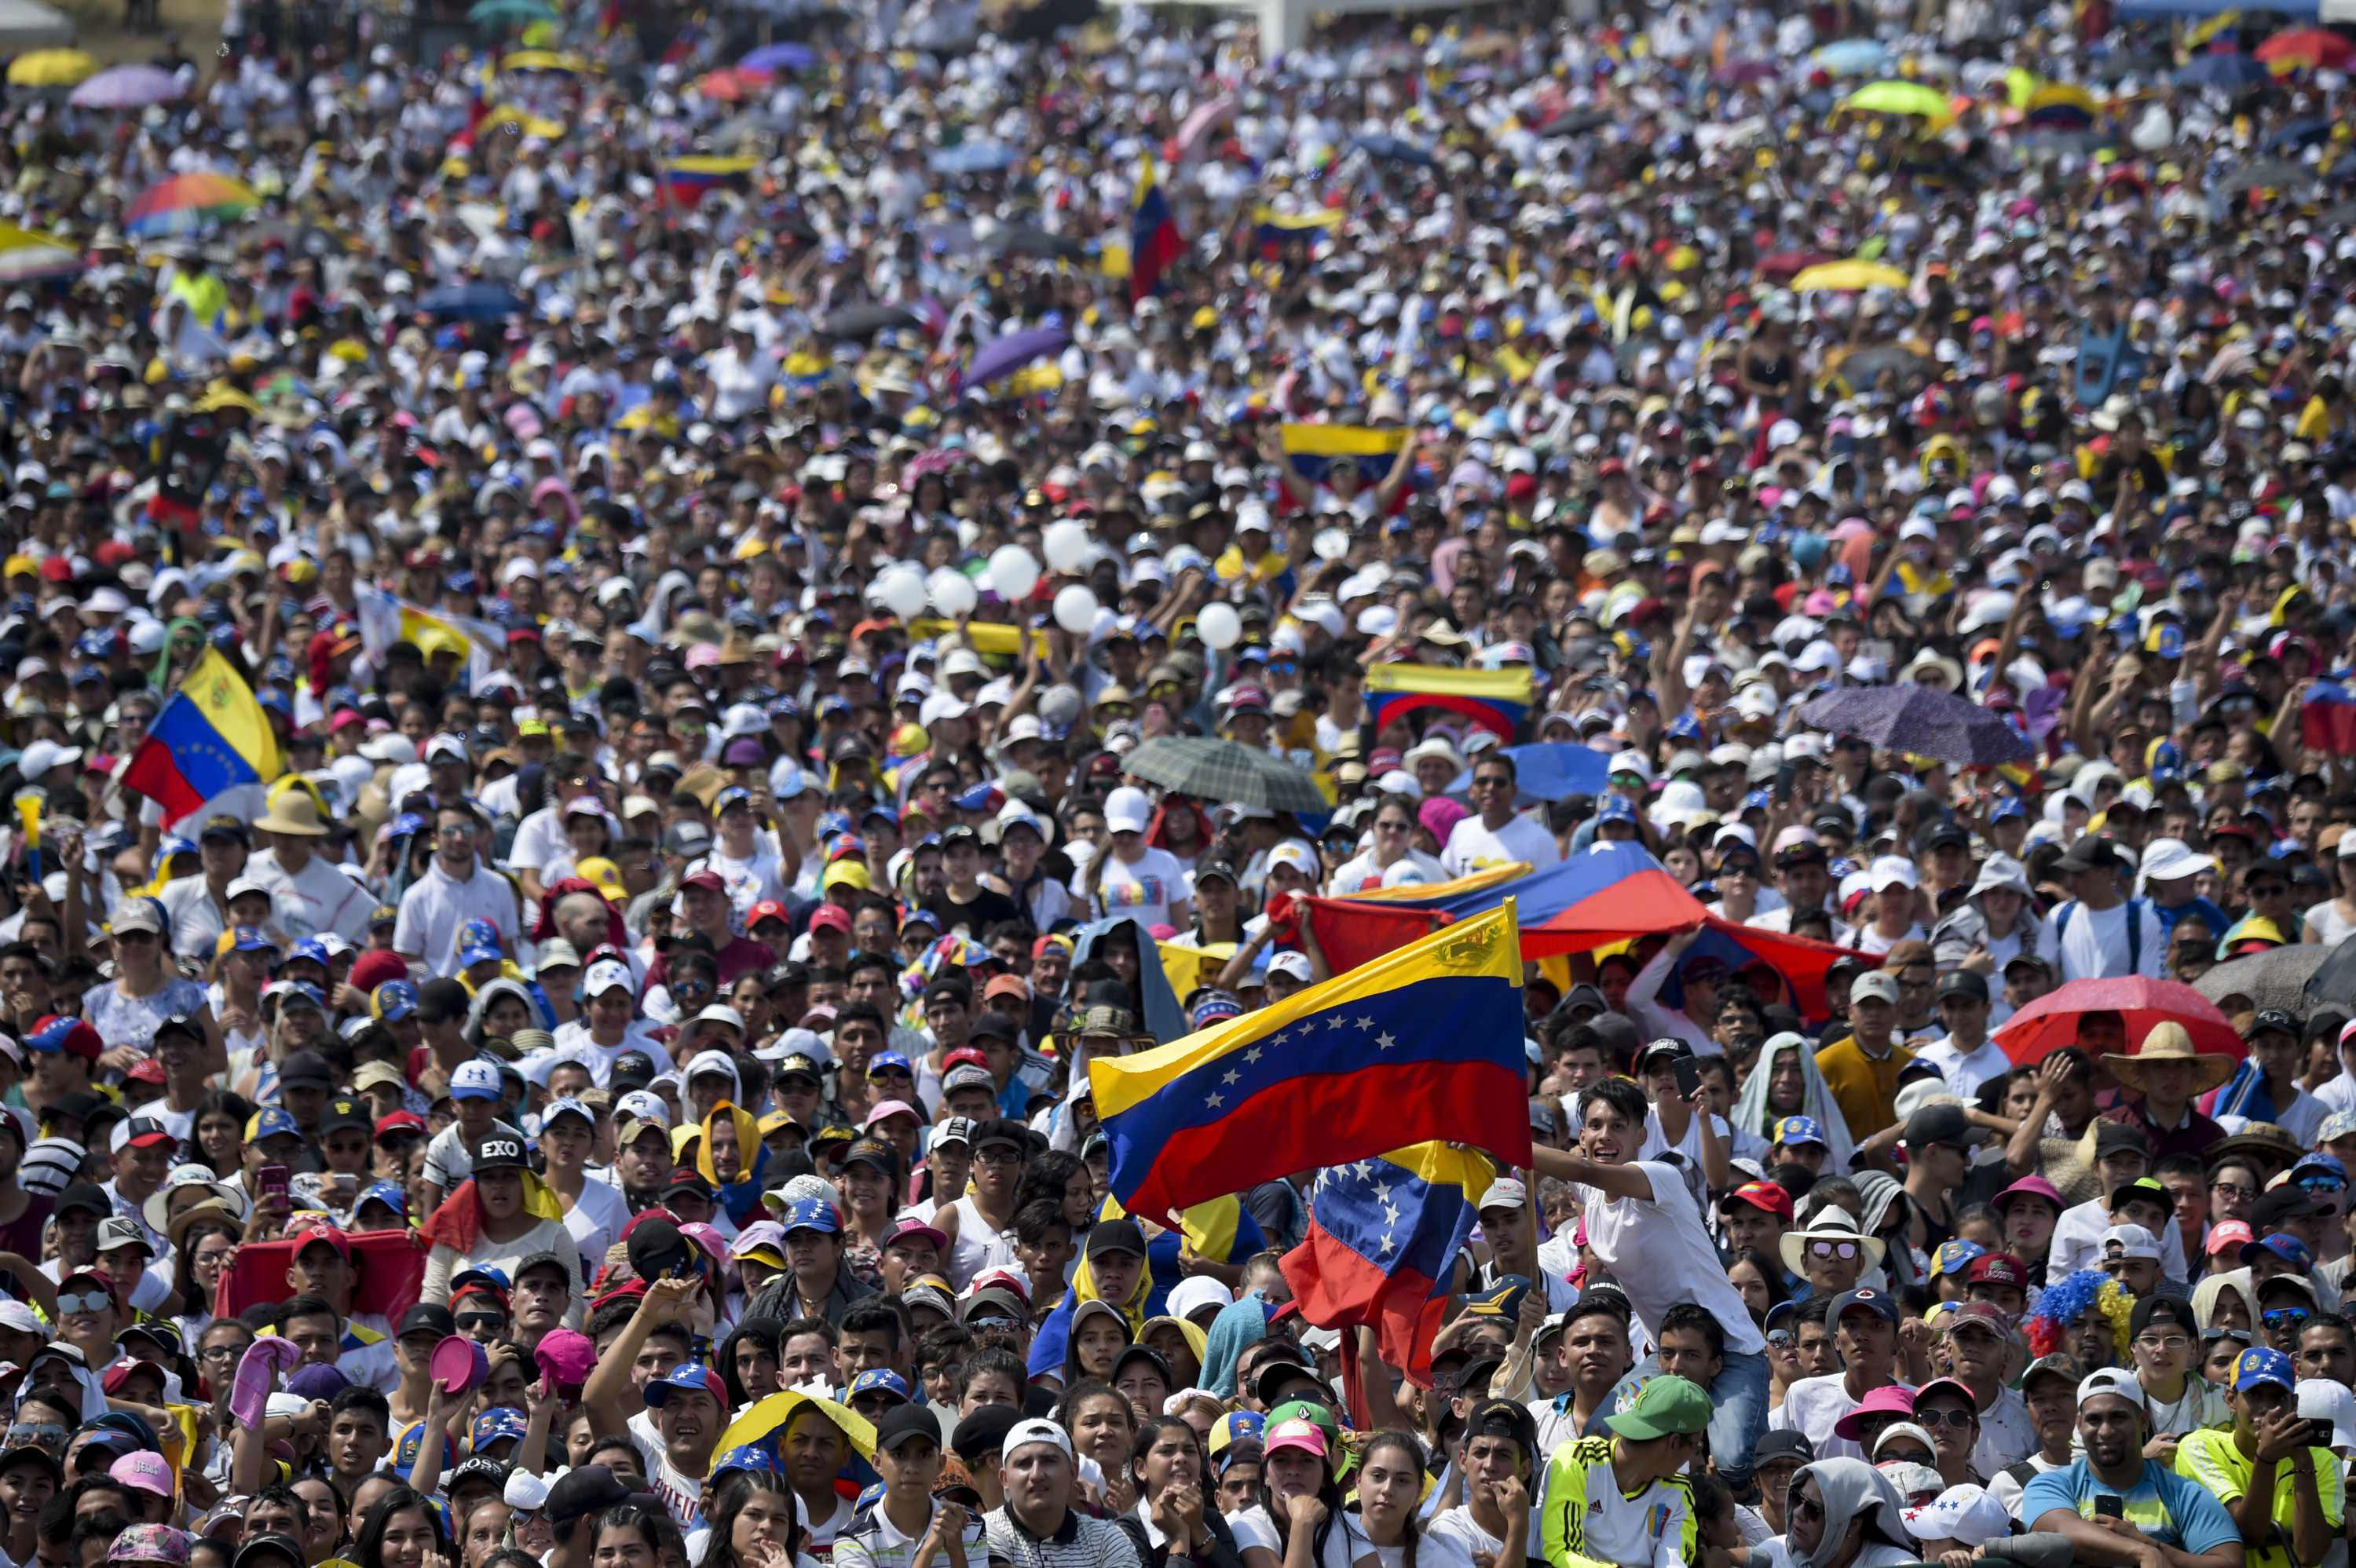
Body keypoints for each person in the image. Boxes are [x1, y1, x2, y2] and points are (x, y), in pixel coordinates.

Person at [1533, 1078, 1769, 1482]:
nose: (1605, 1135)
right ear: (1583, 1133)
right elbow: (1563, 1164)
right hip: (1666, 1358)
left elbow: (1579, 1165)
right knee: (1599, 1438)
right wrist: (1477, 1143)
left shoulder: (1658, 1175)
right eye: (1595, 1125)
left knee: (1732, 1464)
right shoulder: (1590, 1192)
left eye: (1618, 1126)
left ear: (1641, 1135)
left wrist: (1498, 1142)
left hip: (1732, 1351)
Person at [2019, 1367, 2242, 1568]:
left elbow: (2230, 1563)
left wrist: (2154, 1546)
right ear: (2079, 1425)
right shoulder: (2051, 1486)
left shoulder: (2183, 1493)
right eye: (2094, 1420)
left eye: (2118, 1417)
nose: (2105, 1431)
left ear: (2143, 1420)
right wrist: (2141, 1552)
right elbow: (2062, 1532)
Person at [2175, 1347, 2344, 1568]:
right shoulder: (2200, 1448)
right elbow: (2250, 1534)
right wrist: (2266, 1460)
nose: (2266, 1407)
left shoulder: (2323, 1462)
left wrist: (2303, 1463)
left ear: (2293, 1404)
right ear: (2231, 1399)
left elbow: (2309, 1556)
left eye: (2278, 1397)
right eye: (2254, 1394)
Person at [1537, 1376, 1707, 1568]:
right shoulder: (1577, 1461)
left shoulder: (1680, 1493)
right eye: (1695, 1446)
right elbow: (1560, 1554)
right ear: (1674, 1442)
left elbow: (1673, 1563)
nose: (1693, 1456)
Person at [981, 1420, 1141, 1568]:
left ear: (1073, 1471)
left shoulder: (1107, 1538)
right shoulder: (984, 1532)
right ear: (1004, 1478)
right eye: (1024, 1464)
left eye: (1049, 1461)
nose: (1036, 1475)